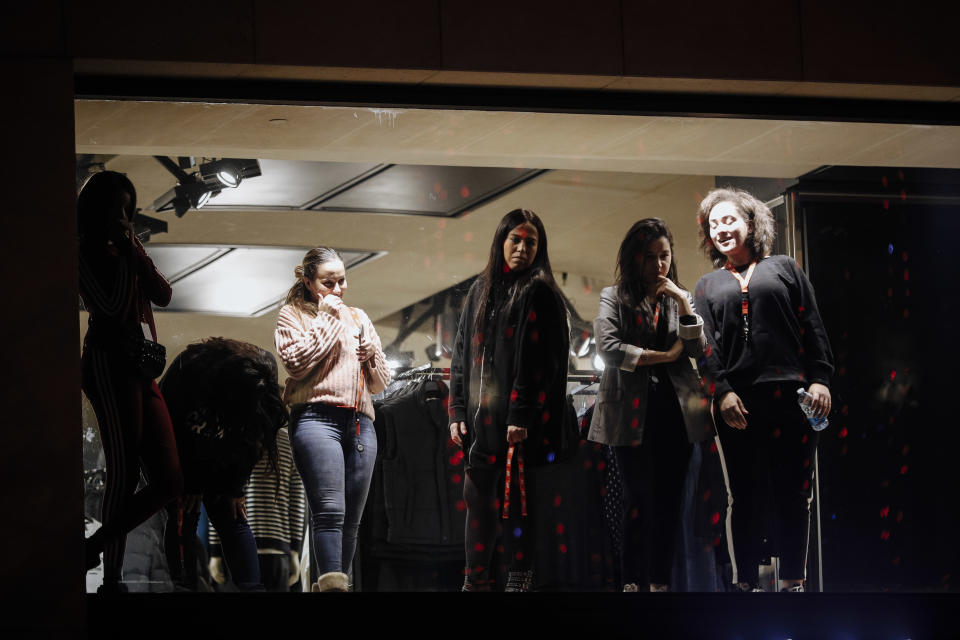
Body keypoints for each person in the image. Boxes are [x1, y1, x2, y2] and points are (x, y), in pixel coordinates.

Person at [693, 187, 833, 592]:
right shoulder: (707, 284)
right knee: (745, 493)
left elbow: (813, 329)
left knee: (796, 492)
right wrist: (720, 390)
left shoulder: (786, 268)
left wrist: (820, 378)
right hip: (738, 401)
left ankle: (793, 583)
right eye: (714, 224)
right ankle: (746, 585)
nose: (721, 229)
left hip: (792, 396)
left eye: (729, 220)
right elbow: (705, 347)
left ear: (750, 223)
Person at [587, 218, 714, 592]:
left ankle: (659, 583)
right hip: (630, 413)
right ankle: (631, 582)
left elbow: (697, 349)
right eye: (649, 257)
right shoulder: (614, 296)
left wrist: (680, 301)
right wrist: (665, 355)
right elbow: (609, 349)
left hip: (676, 413)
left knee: (671, 502)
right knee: (638, 499)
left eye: (664, 256)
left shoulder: (680, 297)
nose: (658, 265)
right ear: (634, 258)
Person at [449, 208, 570, 592]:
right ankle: (475, 582)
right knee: (479, 507)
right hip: (480, 430)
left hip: (522, 432)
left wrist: (521, 415)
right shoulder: (479, 291)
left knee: (518, 509)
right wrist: (455, 410)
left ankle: (519, 583)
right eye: (515, 239)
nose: (521, 248)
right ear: (501, 241)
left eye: (530, 242)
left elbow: (540, 365)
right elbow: (461, 353)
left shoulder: (542, 293)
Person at [78, 170, 182, 593]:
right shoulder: (83, 252)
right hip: (107, 363)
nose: (123, 218)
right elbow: (110, 307)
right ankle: (113, 580)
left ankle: (95, 545)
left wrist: (134, 251)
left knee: (170, 479)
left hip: (141, 365)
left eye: (129, 209)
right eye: (117, 208)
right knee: (121, 471)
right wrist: (124, 257)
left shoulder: (128, 249)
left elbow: (163, 294)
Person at [275, 247, 390, 592]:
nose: (338, 289)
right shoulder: (292, 315)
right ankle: (332, 589)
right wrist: (325, 318)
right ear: (310, 283)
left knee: (352, 520)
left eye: (342, 281)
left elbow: (381, 383)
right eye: (329, 282)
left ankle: (338, 585)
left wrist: (371, 358)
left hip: (360, 424)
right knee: (329, 511)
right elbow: (296, 363)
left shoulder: (358, 317)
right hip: (315, 418)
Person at [159, 338, 287, 592]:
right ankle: (184, 586)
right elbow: (168, 433)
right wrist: (190, 482)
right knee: (184, 512)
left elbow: (256, 440)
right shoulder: (189, 371)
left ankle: (252, 589)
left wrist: (237, 487)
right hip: (180, 447)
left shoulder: (263, 386)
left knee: (233, 514)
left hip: (226, 452)